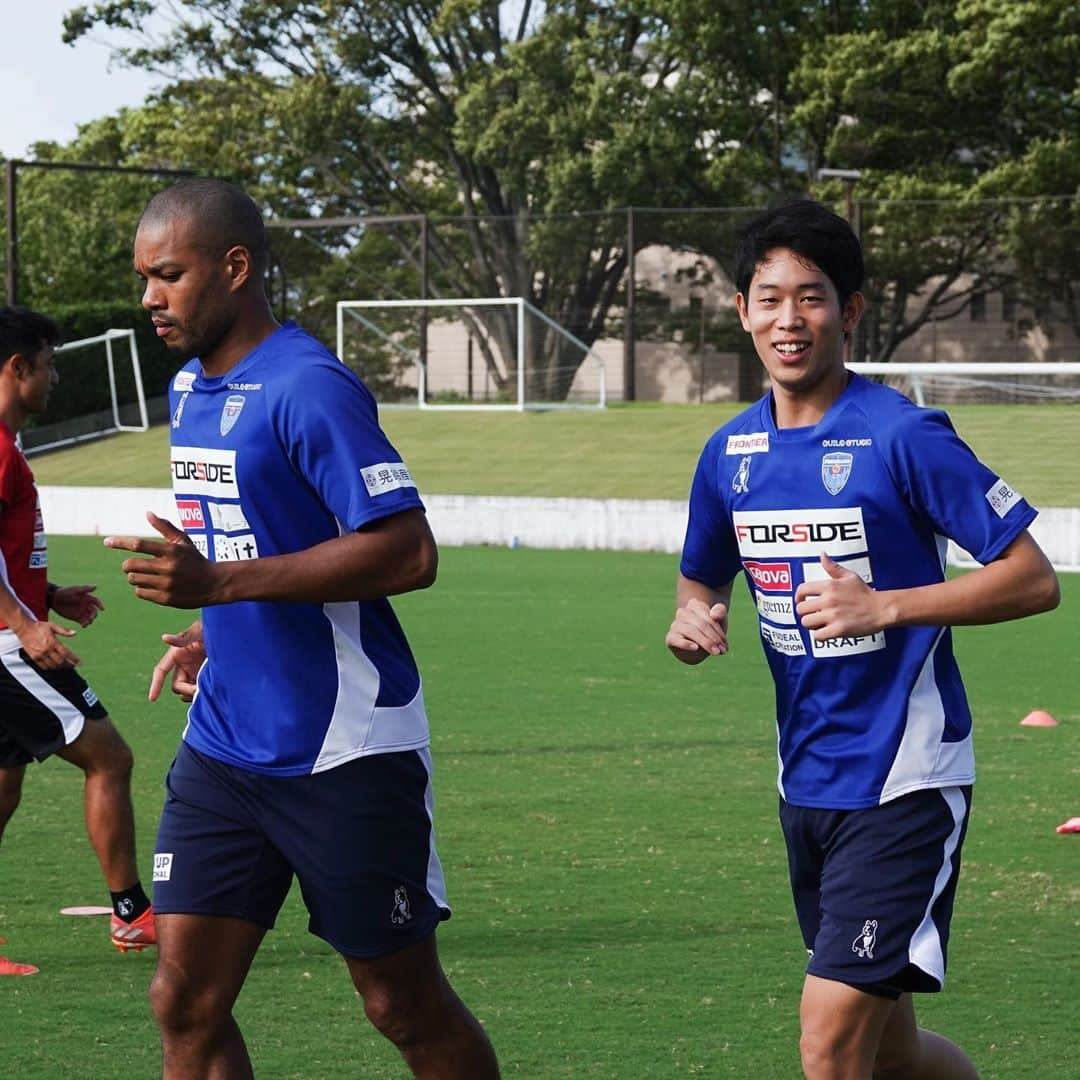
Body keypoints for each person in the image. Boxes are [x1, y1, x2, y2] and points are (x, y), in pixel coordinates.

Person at [106, 178, 499, 1079]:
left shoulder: (308, 386)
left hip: (343, 746)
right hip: (226, 745)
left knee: (401, 1003)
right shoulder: (188, 391)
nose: (150, 299)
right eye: (143, 278)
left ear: (234, 267)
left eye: (168, 275)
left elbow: (407, 552)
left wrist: (221, 584)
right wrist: (220, 626)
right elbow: (259, 538)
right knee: (183, 998)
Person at [665, 200, 1060, 1080]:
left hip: (905, 777)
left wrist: (887, 607)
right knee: (894, 1055)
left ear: (851, 309)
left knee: (828, 1041)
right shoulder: (728, 453)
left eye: (812, 297)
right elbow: (702, 579)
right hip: (804, 778)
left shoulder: (904, 434)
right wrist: (694, 618)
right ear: (741, 310)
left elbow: (1034, 579)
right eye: (769, 298)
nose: (788, 320)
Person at [0, 307, 155, 975]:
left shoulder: (8, 447)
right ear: (17, 368)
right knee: (109, 758)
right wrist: (24, 623)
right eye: (50, 364)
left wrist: (48, 594)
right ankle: (133, 916)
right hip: (8, 650)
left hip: (10, 632)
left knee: (2, 792)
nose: (56, 378)